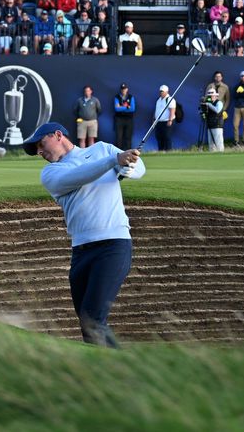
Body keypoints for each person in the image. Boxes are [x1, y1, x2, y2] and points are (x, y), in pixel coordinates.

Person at [22, 122, 145, 348]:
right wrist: (114, 162)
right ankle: (107, 370)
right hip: (81, 253)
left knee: (93, 320)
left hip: (113, 246)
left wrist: (129, 168)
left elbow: (139, 167)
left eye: (41, 144)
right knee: (88, 323)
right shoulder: (51, 172)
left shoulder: (101, 149)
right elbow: (79, 176)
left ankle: (122, 372)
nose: (39, 151)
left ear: (58, 135)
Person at [112, 83, 136, 149]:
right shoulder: (117, 97)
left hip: (129, 119)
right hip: (119, 119)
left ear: (127, 89)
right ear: (120, 90)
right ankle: (118, 153)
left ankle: (128, 152)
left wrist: (121, 107)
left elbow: (132, 109)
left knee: (128, 137)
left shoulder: (131, 97)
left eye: (125, 89)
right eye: (122, 89)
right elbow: (117, 109)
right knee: (119, 137)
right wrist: (127, 107)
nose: (123, 90)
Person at [153, 85, 177, 151]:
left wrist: (170, 120)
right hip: (159, 122)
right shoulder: (158, 100)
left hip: (167, 121)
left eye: (162, 91)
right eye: (160, 91)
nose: (161, 93)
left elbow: (172, 110)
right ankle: (160, 151)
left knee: (167, 137)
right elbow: (156, 110)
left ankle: (168, 151)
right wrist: (154, 119)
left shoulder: (169, 99)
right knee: (159, 137)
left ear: (166, 91)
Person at [202, 87, 225, 152]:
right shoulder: (208, 103)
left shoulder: (219, 103)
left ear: (215, 96)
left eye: (212, 95)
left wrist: (209, 105)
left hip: (217, 125)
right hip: (210, 125)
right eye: (209, 96)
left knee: (219, 143)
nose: (210, 97)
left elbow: (217, 110)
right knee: (211, 145)